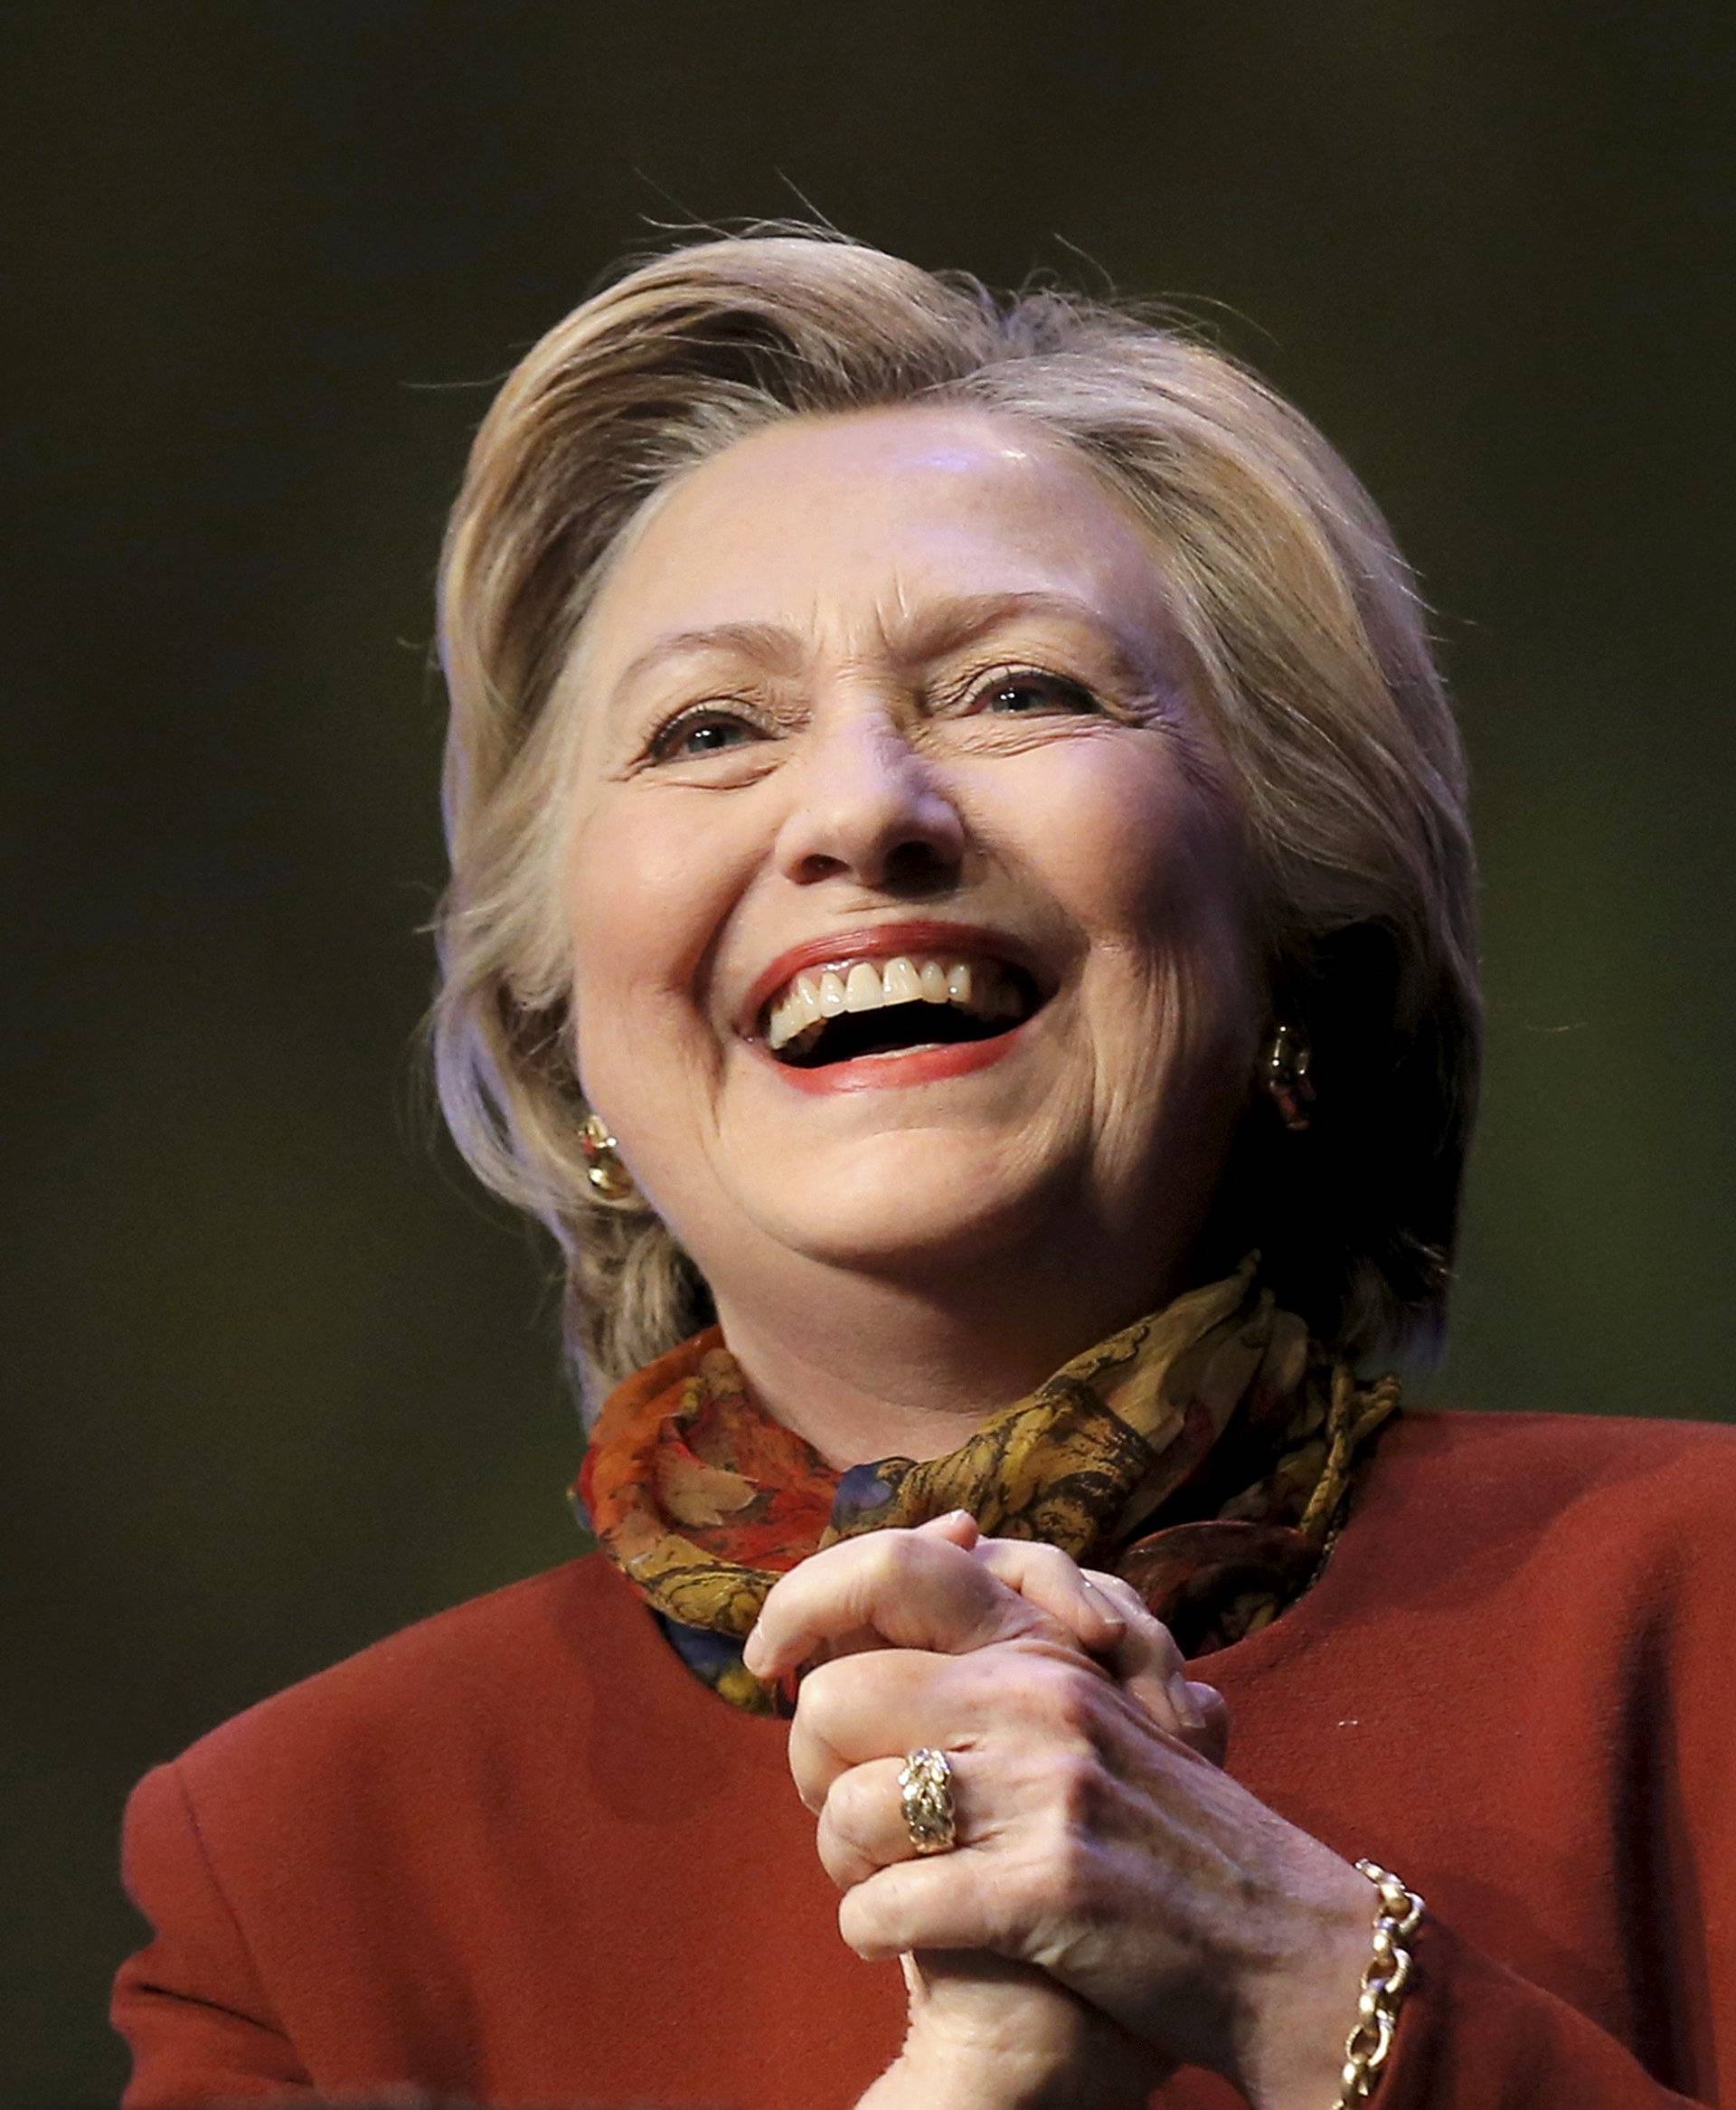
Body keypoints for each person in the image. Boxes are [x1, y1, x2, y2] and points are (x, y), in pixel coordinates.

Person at [112, 231, 1734, 2110]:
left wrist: (1296, 1978)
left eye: (1022, 690)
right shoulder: (305, 1866)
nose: (870, 808)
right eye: (710, 729)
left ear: (1295, 931)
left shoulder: (1697, 1617)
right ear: (572, 1054)